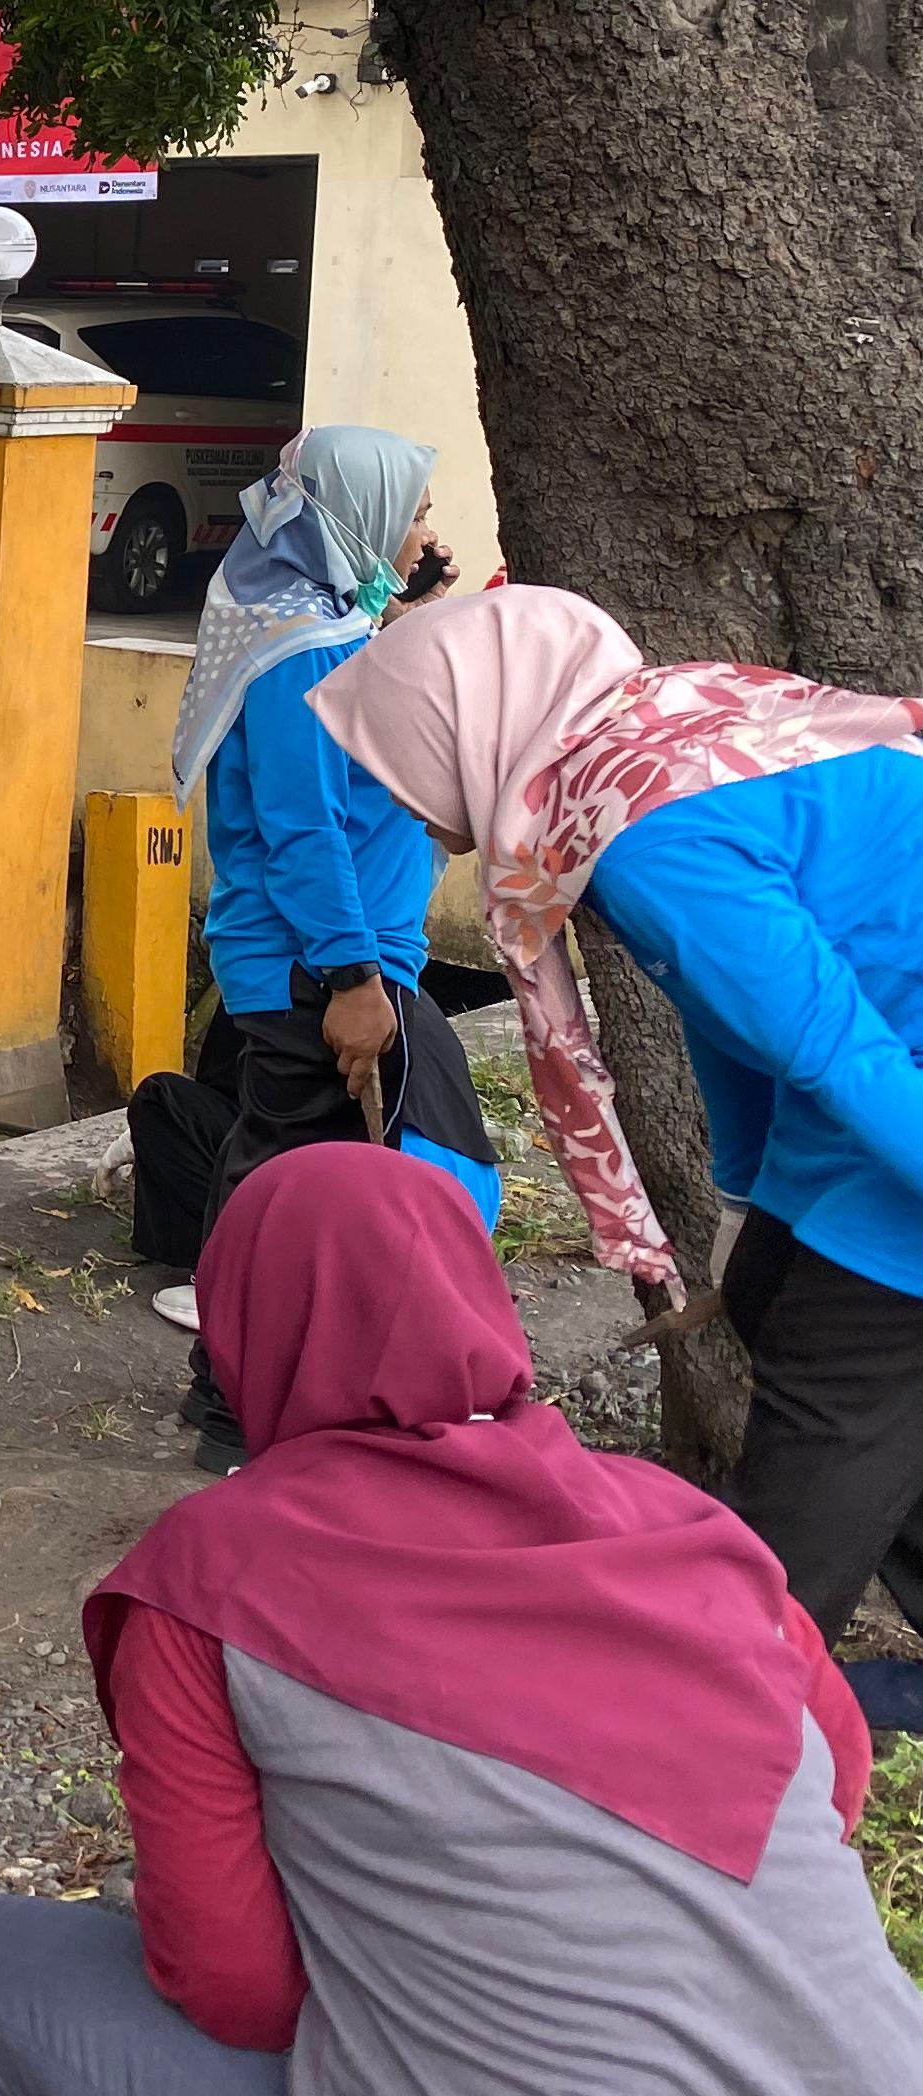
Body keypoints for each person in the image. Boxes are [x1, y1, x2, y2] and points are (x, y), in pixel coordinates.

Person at [0, 1144, 922, 2095]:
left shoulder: (210, 1581)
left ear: (242, 1328)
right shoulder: (684, 1530)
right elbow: (833, 1778)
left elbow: (237, 1991)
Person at [310, 584, 923, 1721]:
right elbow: (736, 1019)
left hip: (895, 1081)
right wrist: (750, 1197)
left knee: (838, 1385)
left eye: (404, 766)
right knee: (779, 1293)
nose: (410, 811)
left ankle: (711, 1722)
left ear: (472, 726)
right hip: (885, 1060)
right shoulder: (649, 744)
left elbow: (833, 1049)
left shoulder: (646, 832)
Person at [140, 428, 488, 1458]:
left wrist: (402, 601)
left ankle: (266, 1391)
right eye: (414, 513)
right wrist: (350, 978)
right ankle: (231, 1403)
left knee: (309, 1175)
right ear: (356, 516)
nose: (424, 531)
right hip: (317, 963)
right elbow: (302, 830)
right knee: (282, 1179)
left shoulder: (314, 616)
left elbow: (353, 705)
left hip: (339, 953)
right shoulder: (300, 654)